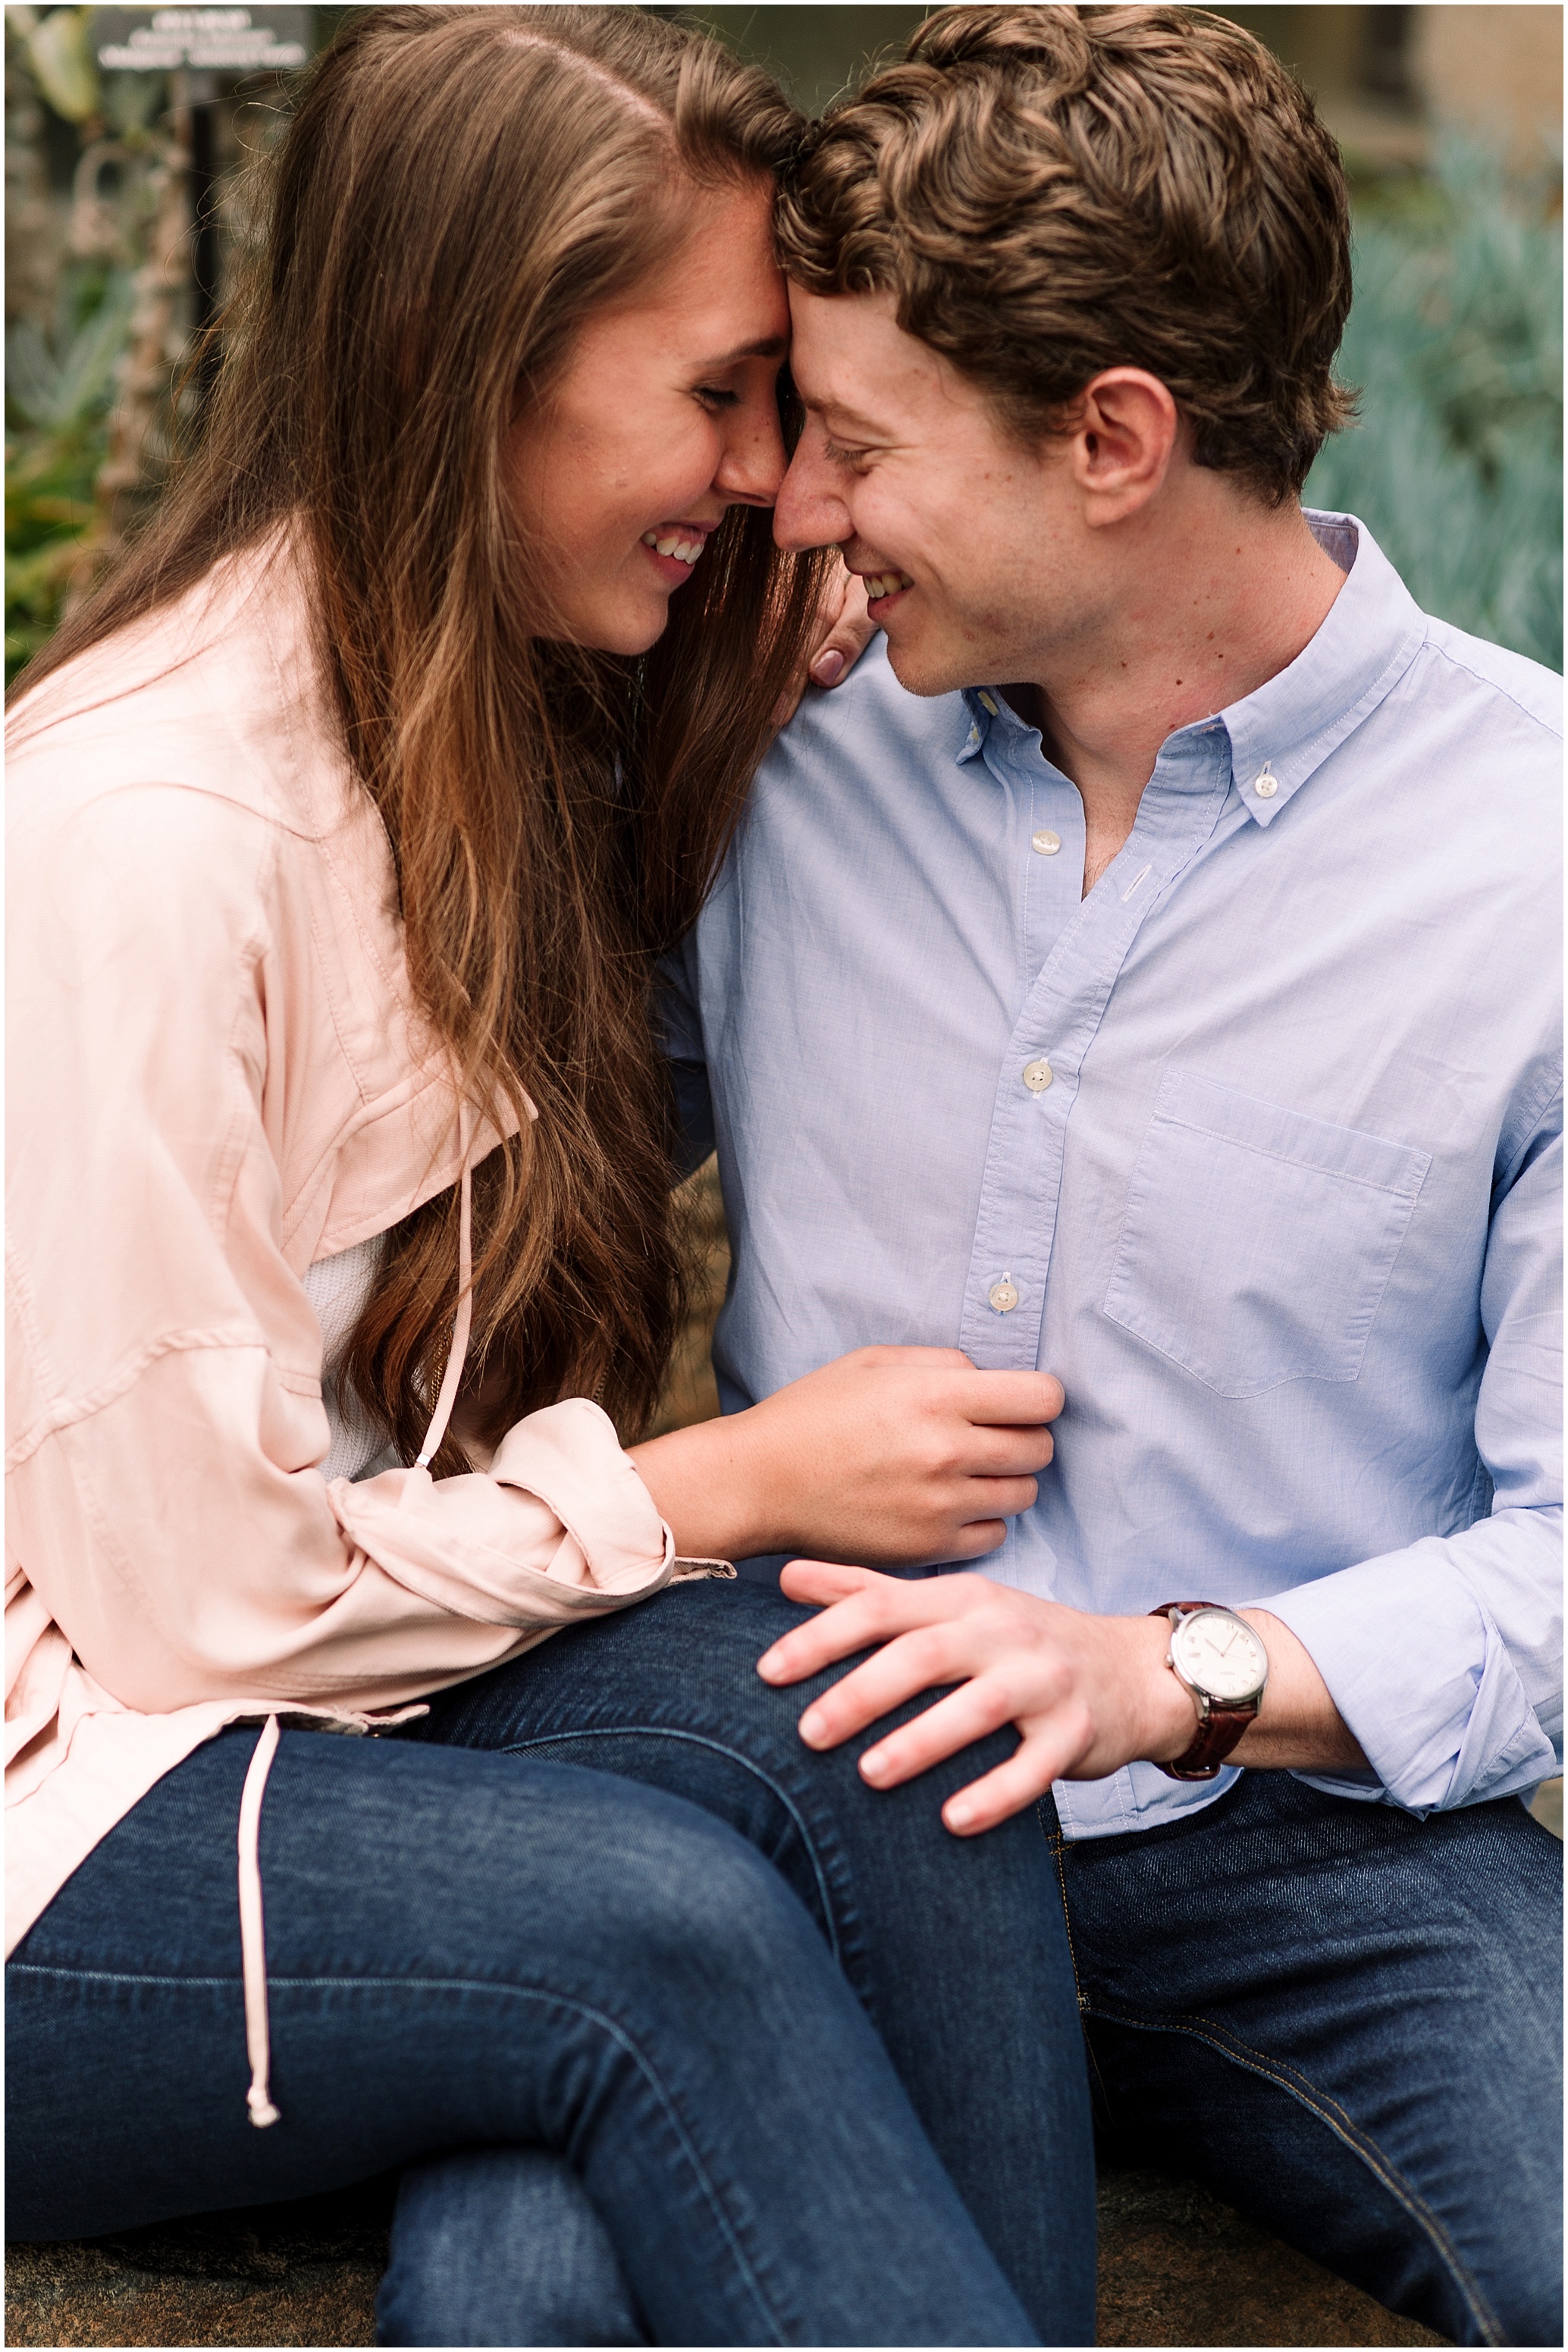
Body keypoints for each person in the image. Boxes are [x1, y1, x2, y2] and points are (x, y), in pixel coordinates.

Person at [5, 10, 1095, 2344]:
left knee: (904, 1731)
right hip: (71, 1797)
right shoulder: (146, 833)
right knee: (648, 1939)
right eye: (717, 395)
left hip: (339, 1714)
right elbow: (202, 1610)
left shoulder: (489, 709)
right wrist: (715, 1487)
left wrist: (730, 728)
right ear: (450, 350)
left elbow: (526, 1205)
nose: (774, 475)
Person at [663, 8, 1563, 2346]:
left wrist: (1158, 1674)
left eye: (856, 443)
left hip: (1314, 1845)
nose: (799, 505)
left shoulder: (1535, 865)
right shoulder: (772, 737)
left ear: (1112, 440)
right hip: (799, 1795)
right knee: (517, 2278)